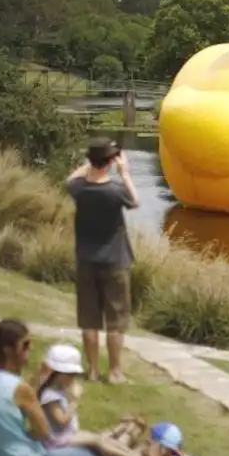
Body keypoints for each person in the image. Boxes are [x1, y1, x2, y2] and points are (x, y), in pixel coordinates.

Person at [0, 319, 100, 456]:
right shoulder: (21, 389)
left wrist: (38, 380)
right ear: (7, 350)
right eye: (25, 345)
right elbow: (44, 433)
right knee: (90, 451)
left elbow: (10, 399)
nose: (30, 348)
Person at [66, 137, 140, 384]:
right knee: (115, 321)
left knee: (89, 320)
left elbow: (69, 180)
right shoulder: (116, 191)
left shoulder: (79, 189)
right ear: (110, 162)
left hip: (86, 260)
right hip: (115, 261)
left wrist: (89, 164)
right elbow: (136, 201)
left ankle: (94, 370)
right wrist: (125, 173)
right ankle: (115, 372)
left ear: (91, 160)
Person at [38, 344, 143, 456]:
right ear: (56, 373)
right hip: (57, 439)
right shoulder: (50, 396)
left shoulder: (58, 389)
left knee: (99, 438)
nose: (73, 378)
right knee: (97, 440)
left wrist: (70, 393)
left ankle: (129, 452)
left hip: (66, 434)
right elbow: (62, 421)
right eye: (70, 374)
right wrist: (74, 401)